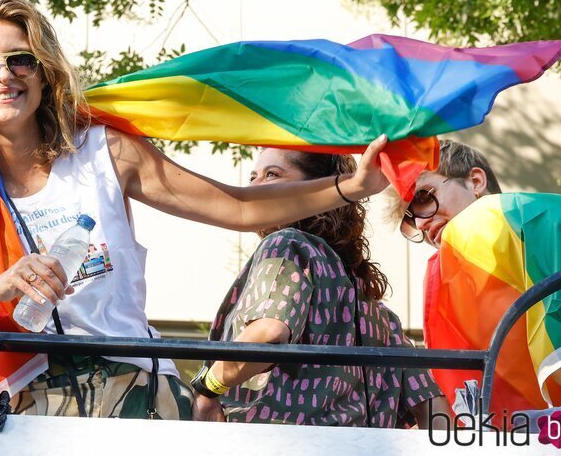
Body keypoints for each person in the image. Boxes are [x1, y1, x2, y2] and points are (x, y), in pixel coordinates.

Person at [0, 0, 391, 419]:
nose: (3, 75)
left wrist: (347, 188)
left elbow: (238, 207)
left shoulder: (102, 150)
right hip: (21, 404)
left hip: (129, 390)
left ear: (44, 74)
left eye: (20, 60)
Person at [190, 148, 450, 428]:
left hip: (278, 443)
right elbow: (435, 411)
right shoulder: (378, 313)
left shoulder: (287, 245)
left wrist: (207, 389)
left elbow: (269, 332)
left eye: (271, 175)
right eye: (253, 176)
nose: (252, 187)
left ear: (319, 187)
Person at [399, 139, 561, 416]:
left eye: (424, 197)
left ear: (475, 181)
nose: (421, 223)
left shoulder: (494, 217)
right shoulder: (446, 272)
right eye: (410, 219)